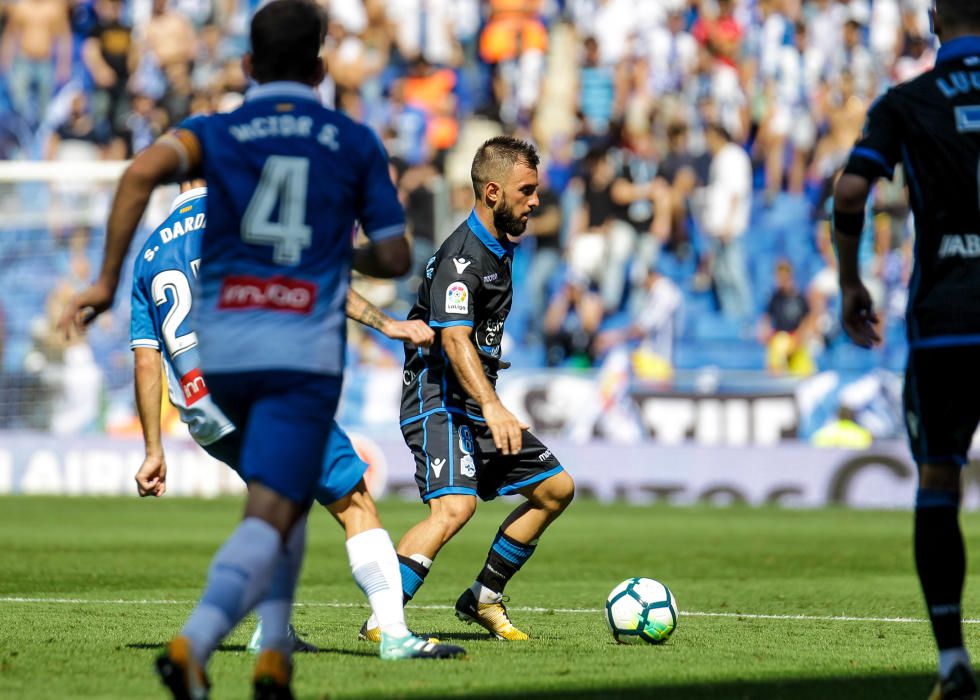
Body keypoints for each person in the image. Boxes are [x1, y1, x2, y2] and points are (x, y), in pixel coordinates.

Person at [58, 1, 424, 697]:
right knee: (347, 500)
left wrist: (105, 281)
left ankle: (271, 651)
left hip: (212, 381)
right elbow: (396, 252)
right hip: (292, 355)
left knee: (279, 506)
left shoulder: (214, 137)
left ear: (248, 66)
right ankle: (383, 634)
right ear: (320, 67)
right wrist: (345, 262)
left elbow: (138, 177)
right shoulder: (346, 140)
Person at [129, 183, 466, 663]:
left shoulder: (149, 250)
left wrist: (153, 450)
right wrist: (388, 324)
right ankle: (394, 634)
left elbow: (146, 361)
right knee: (355, 502)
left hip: (205, 414)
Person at [359, 135, 575, 642]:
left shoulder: (500, 244)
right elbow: (454, 340)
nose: (536, 200)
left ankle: (483, 597)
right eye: (527, 190)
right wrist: (494, 405)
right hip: (438, 398)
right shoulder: (462, 259)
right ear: (493, 192)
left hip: (475, 399)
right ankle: (383, 621)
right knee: (454, 507)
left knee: (554, 490)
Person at [833, 2, 980, 698]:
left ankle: (952, 659)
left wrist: (850, 281)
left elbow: (853, 188)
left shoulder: (906, 101)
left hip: (946, 319)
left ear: (930, 20)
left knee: (939, 482)